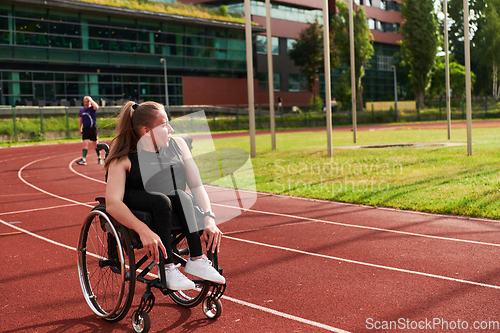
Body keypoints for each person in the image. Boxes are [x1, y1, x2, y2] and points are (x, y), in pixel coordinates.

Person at [104, 101, 225, 290]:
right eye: (164, 125)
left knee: (182, 196)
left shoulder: (179, 145)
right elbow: (112, 203)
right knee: (162, 200)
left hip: (168, 204)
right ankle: (167, 268)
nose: (171, 128)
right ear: (146, 131)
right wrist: (143, 229)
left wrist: (209, 218)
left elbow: (196, 185)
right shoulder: (123, 157)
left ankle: (197, 259)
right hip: (136, 204)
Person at [76, 96, 101, 165]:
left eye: (87, 102)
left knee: (96, 144)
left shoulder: (92, 108)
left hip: (93, 128)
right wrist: (80, 129)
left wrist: (91, 100)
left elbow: (97, 107)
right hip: (86, 129)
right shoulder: (82, 110)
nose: (86, 103)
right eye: (85, 102)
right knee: (85, 144)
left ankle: (99, 157)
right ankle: (83, 159)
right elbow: (80, 120)